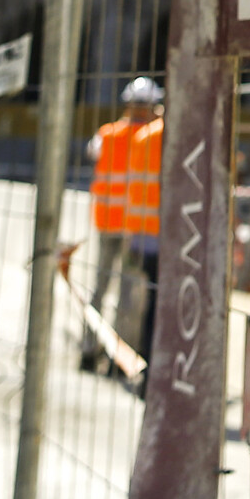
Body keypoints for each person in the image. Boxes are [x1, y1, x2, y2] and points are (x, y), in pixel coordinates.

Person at [82, 77, 160, 370]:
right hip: (134, 226)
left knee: (99, 288)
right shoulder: (153, 135)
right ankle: (119, 359)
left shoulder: (108, 133)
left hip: (106, 222)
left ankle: (88, 350)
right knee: (129, 293)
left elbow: (93, 154)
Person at [122, 92, 165, 382]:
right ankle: (152, 370)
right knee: (159, 305)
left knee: (145, 301)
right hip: (167, 236)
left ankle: (139, 365)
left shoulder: (142, 137)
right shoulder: (173, 137)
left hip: (140, 232)